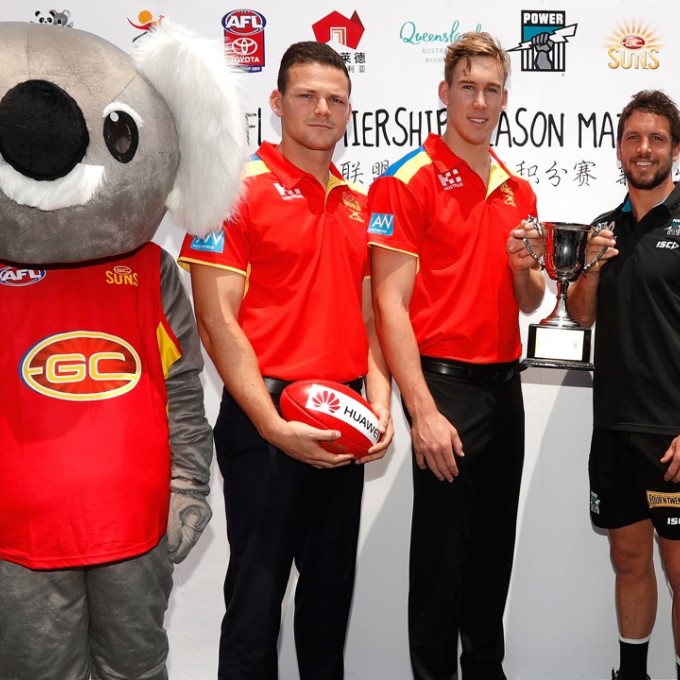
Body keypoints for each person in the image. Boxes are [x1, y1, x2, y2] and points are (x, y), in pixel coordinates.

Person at [178, 41, 393, 680]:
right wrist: (272, 425)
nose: (322, 109)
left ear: (349, 110)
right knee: (255, 604)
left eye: (336, 99)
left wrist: (379, 406)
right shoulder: (232, 192)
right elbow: (216, 321)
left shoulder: (358, 203)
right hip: (264, 422)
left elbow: (371, 320)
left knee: (327, 608)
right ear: (276, 102)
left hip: (342, 417)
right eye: (307, 96)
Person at [367, 31, 545, 680]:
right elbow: (389, 305)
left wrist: (527, 268)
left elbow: (532, 298)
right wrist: (422, 411)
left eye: (492, 90)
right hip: (443, 388)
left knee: (493, 557)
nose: (479, 101)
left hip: (505, 387)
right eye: (467, 87)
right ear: (444, 92)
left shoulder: (518, 190)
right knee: (440, 567)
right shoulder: (405, 180)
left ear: (505, 99)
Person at [567, 90, 680, 680]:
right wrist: (592, 266)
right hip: (614, 428)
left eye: (657, 139)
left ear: (676, 148)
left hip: (677, 437)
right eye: (634, 138)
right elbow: (581, 315)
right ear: (619, 147)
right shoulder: (602, 227)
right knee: (627, 558)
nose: (644, 149)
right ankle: (632, 673)